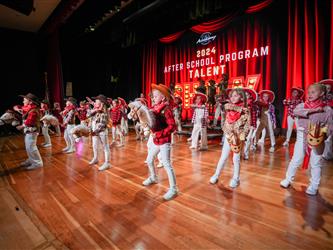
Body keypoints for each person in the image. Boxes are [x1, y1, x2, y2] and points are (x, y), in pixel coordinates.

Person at [280, 83, 333, 195]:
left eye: (313, 92)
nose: (310, 94)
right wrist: (312, 110)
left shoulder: (327, 110)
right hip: (302, 136)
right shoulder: (302, 105)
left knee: (316, 163)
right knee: (296, 159)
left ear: (322, 93)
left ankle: (314, 185)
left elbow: (330, 126)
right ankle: (288, 179)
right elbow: (295, 111)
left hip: (317, 138)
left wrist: (323, 132)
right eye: (309, 92)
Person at [143, 83, 178, 200]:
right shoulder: (154, 108)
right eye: (152, 96)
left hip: (164, 140)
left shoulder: (166, 110)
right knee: (149, 160)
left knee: (167, 164)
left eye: (156, 96)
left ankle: (173, 189)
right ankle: (153, 177)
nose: (153, 98)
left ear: (163, 97)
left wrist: (159, 133)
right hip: (156, 140)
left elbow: (172, 127)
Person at [210, 88, 250, 188]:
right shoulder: (230, 106)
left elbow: (247, 125)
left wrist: (243, 135)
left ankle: (236, 178)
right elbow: (227, 106)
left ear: (241, 96)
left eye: (236, 95)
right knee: (223, 157)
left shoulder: (246, 110)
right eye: (231, 96)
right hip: (228, 135)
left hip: (237, 136)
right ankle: (216, 174)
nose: (233, 97)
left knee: (236, 158)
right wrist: (240, 109)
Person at [15, 93, 43, 170]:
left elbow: (30, 121)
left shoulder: (34, 110)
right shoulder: (30, 109)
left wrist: (21, 126)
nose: (23, 100)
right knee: (28, 147)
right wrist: (18, 110)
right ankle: (31, 160)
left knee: (31, 147)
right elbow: (25, 114)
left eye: (25, 99)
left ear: (30, 101)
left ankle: (37, 163)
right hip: (29, 130)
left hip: (32, 131)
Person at [88, 94, 111, 171]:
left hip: (102, 132)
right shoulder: (95, 110)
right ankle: (95, 158)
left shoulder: (104, 111)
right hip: (95, 132)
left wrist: (95, 131)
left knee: (105, 147)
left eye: (96, 101)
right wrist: (94, 110)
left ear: (101, 103)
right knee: (94, 145)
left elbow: (103, 123)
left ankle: (107, 163)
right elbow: (88, 115)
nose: (95, 102)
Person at [243, 88, 258, 160]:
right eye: (245, 95)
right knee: (242, 139)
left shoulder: (252, 105)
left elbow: (254, 115)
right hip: (242, 124)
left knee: (248, 139)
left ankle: (246, 154)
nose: (246, 96)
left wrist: (254, 125)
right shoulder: (241, 104)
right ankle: (240, 153)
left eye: (247, 94)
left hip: (250, 124)